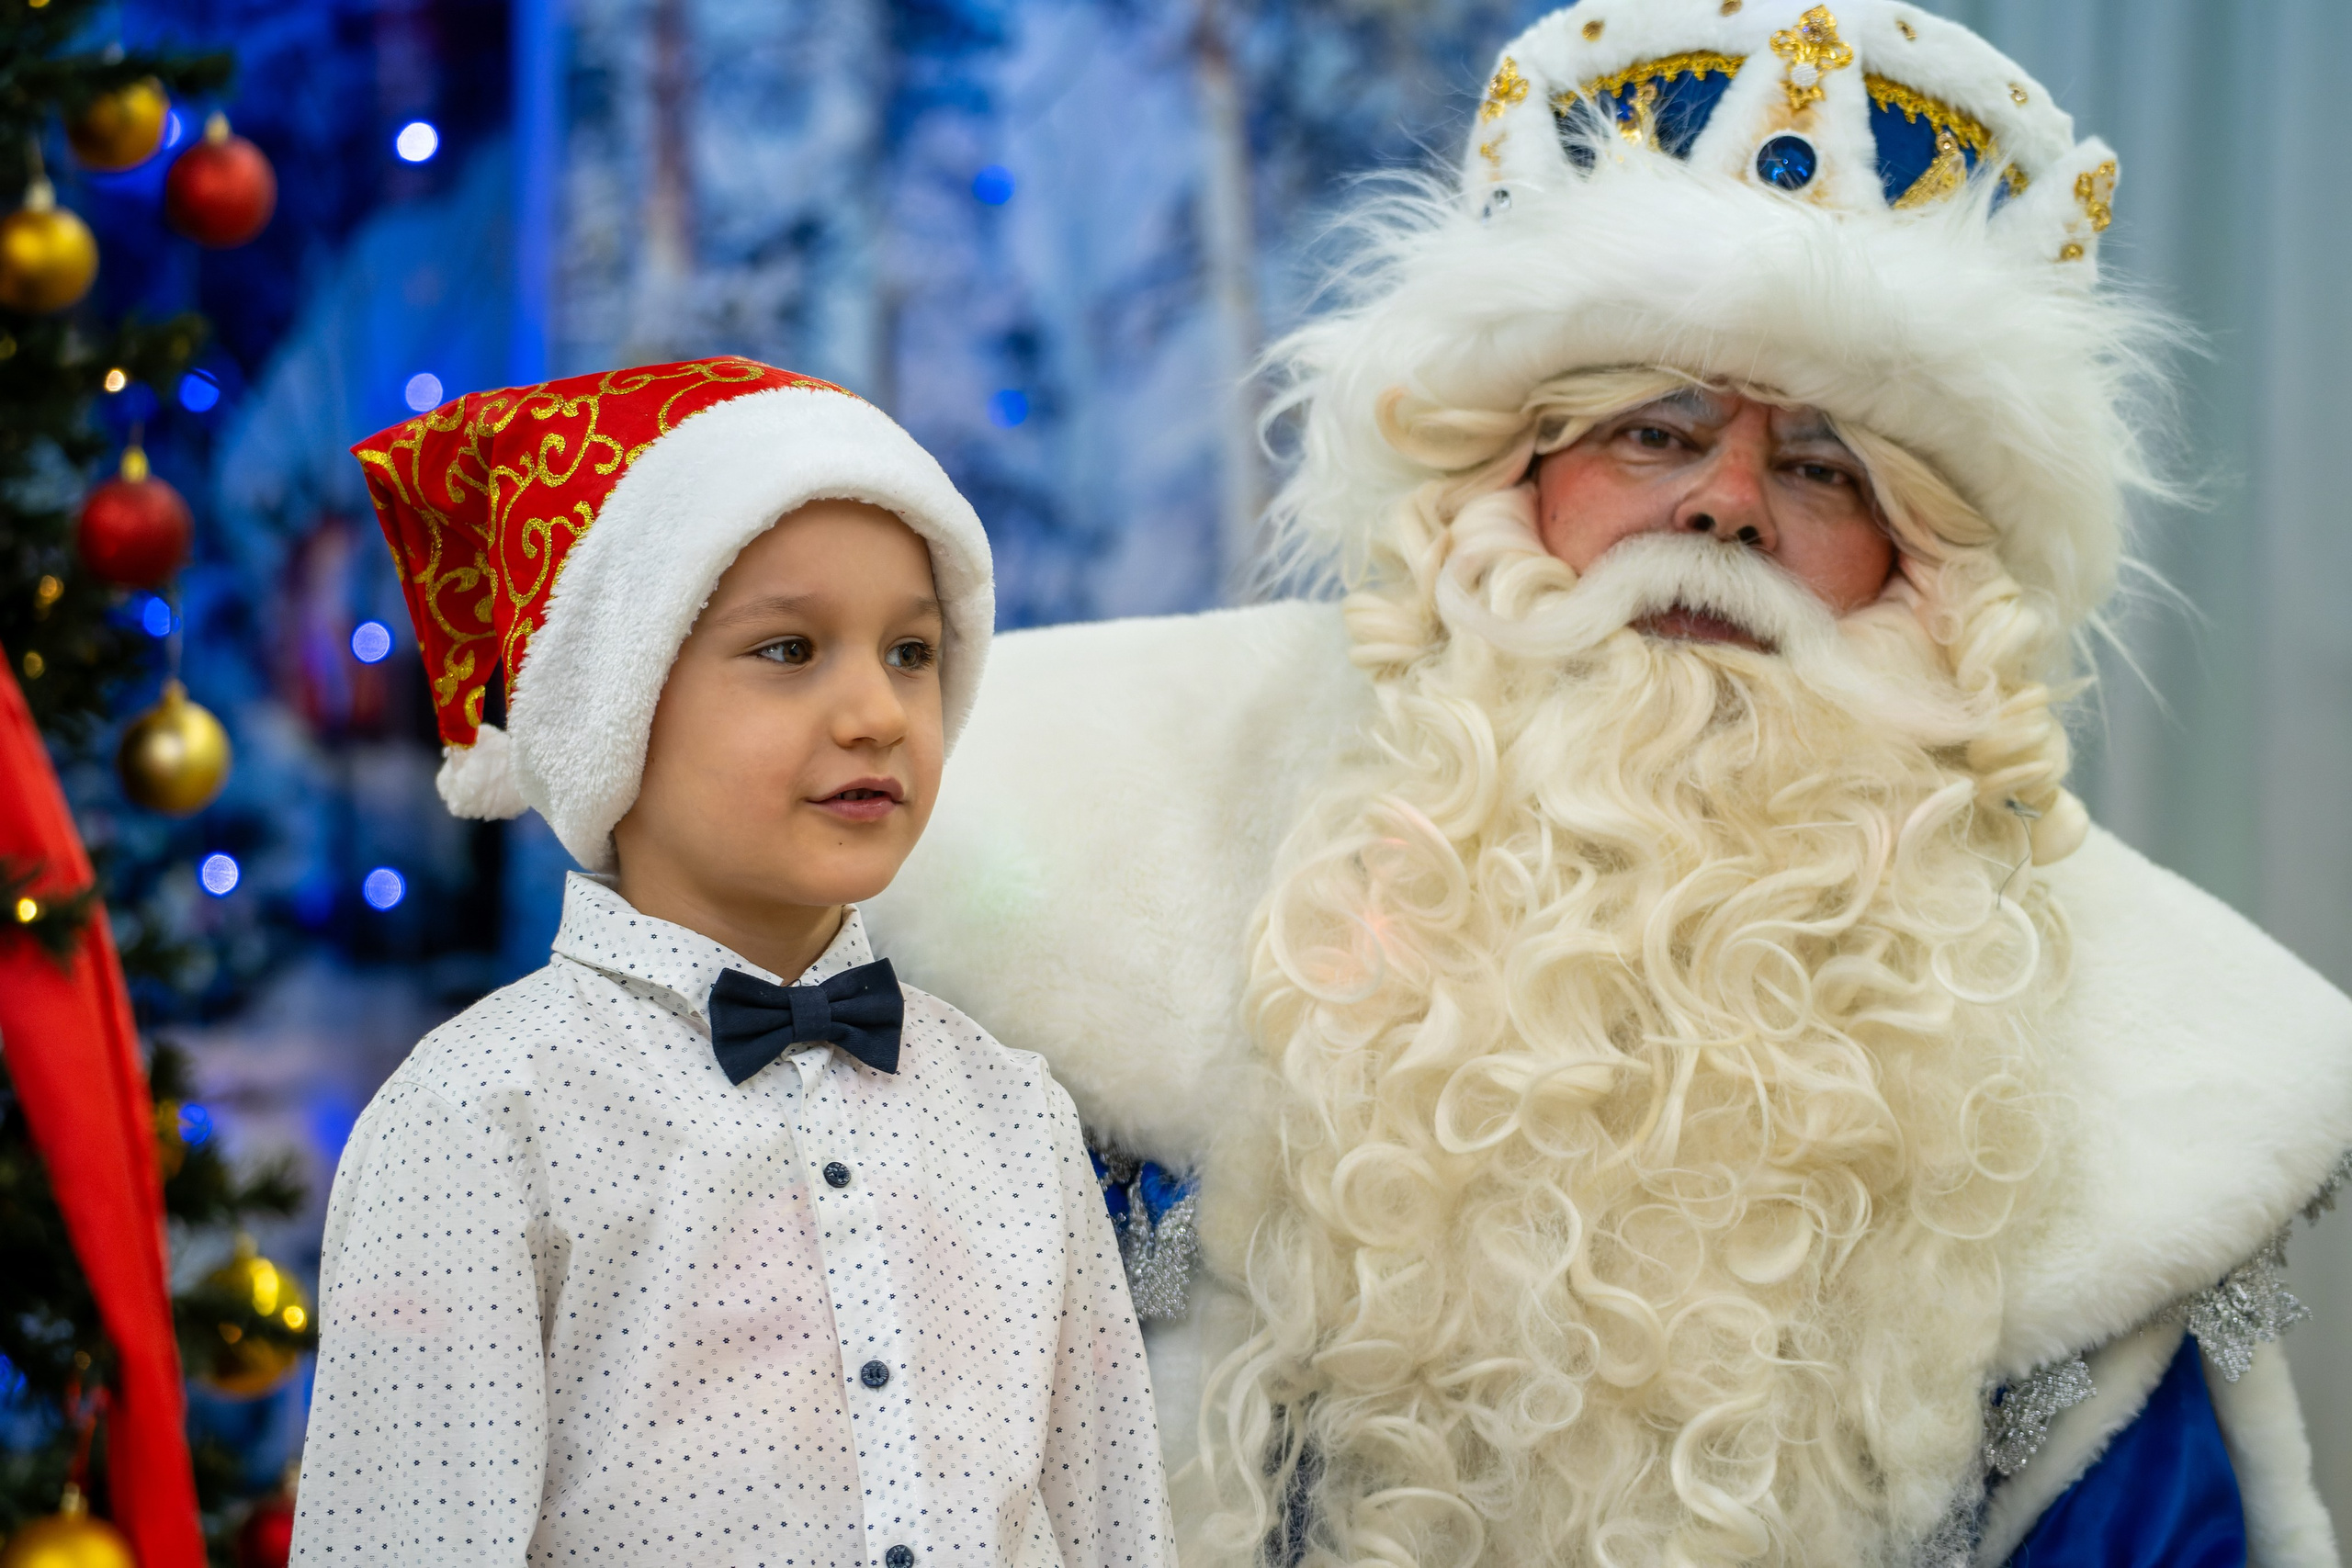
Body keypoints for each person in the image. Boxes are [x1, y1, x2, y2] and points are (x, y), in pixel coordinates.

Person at [866, 5, 2352, 1564]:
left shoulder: (2133, 1090)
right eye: (1658, 431)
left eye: (1825, 468)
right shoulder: (1084, 849)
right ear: (1506, 476)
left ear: (1924, 580)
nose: (1722, 510)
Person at [292, 358, 1175, 1568]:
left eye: (911, 653)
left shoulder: (1014, 1117)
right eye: (790, 649)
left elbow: (1117, 1528)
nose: (875, 711)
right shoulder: (479, 1124)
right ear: (614, 705)